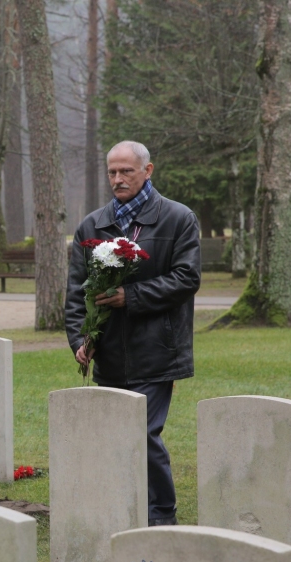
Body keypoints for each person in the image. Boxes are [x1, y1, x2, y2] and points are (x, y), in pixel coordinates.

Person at [65, 140, 201, 527]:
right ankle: (125, 509)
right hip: (108, 352)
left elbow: (187, 277)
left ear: (148, 171)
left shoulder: (178, 218)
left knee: (142, 431)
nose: (118, 179)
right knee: (116, 435)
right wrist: (80, 339)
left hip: (158, 347)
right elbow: (77, 290)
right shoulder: (92, 225)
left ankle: (161, 516)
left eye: (126, 171)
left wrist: (132, 296)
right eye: (112, 171)